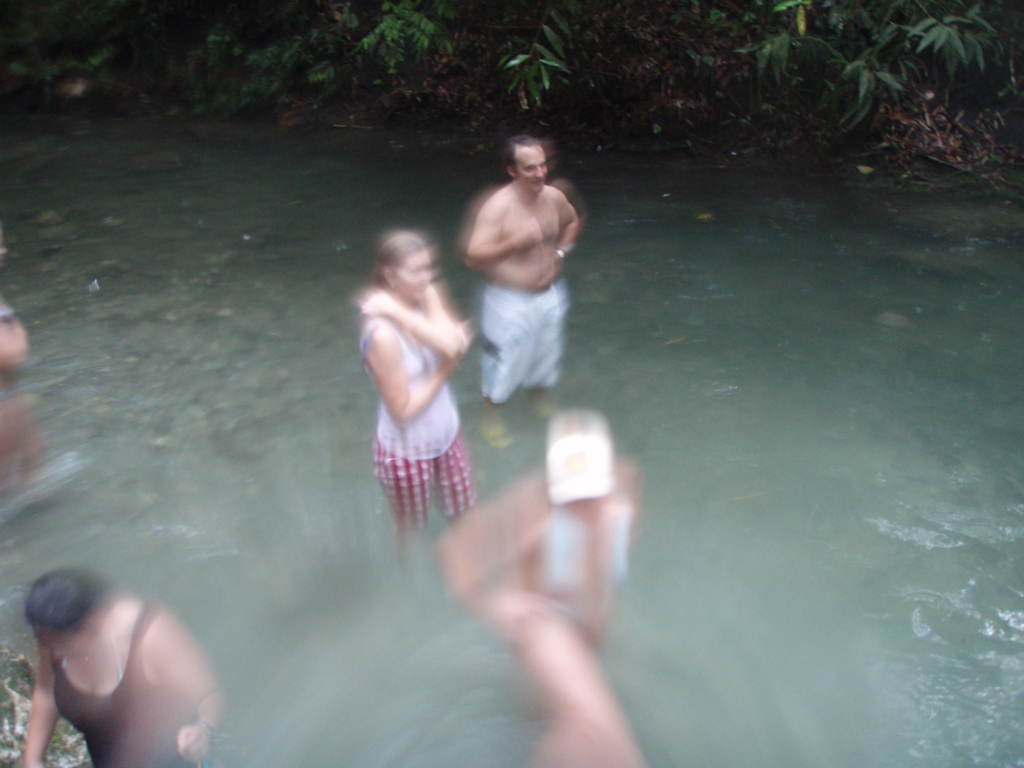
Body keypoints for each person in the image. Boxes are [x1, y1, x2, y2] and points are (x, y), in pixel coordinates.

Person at [440, 409, 646, 768]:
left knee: (558, 715)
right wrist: (493, 604)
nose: (580, 507)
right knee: (595, 730)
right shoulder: (533, 504)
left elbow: (614, 551)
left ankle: (537, 721)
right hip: (543, 620)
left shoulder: (625, 485)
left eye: (591, 494)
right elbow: (454, 551)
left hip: (590, 619)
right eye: (569, 496)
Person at [22, 569, 223, 768]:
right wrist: (33, 760)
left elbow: (210, 693)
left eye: (62, 644)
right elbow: (47, 690)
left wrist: (203, 729)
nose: (54, 654)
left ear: (93, 623)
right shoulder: (53, 632)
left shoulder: (150, 634)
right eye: (45, 643)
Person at [359, 230, 476, 548]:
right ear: (390, 275)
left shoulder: (428, 293)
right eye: (417, 270)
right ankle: (408, 584)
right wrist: (445, 371)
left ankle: (466, 573)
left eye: (430, 267)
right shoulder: (381, 334)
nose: (427, 278)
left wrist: (400, 312)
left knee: (464, 514)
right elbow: (403, 411)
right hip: (405, 452)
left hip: (447, 435)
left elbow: (452, 345)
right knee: (411, 530)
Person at [462, 136, 581, 447]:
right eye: (530, 168)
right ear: (512, 170)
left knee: (546, 353)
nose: (539, 173)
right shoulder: (498, 208)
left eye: (542, 165)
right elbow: (473, 258)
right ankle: (492, 416)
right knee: (503, 362)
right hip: (508, 301)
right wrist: (514, 243)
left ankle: (537, 400)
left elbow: (573, 222)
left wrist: (560, 254)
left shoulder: (553, 197)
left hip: (550, 293)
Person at [0, 221, 47, 497]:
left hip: (9, 398)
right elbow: (13, 353)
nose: (4, 249)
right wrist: (16, 329)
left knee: (32, 473)